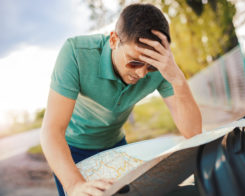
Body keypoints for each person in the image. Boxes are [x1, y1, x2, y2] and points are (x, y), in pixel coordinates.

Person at [40, 3, 202, 196]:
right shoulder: (76, 52)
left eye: (151, 67)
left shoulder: (162, 65)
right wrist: (74, 185)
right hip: (71, 150)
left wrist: (177, 78)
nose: (142, 73)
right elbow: (51, 131)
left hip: (116, 145)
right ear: (114, 40)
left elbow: (193, 132)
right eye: (134, 62)